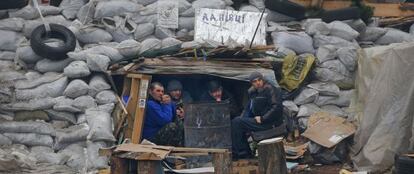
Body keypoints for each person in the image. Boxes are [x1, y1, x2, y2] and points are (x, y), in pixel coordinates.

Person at [231, 72, 284, 159]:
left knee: (237, 123)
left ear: (262, 80)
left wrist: (263, 118)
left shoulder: (270, 89)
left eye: (259, 80)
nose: (258, 82)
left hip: (270, 122)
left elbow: (277, 107)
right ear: (252, 83)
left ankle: (243, 153)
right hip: (260, 122)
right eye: (255, 81)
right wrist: (243, 119)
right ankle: (244, 153)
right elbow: (248, 109)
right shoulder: (253, 93)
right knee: (236, 123)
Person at [142, 82, 184, 146]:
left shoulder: (160, 102)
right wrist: (167, 104)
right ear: (150, 92)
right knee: (171, 126)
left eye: (162, 91)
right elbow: (165, 120)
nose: (161, 93)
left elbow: (173, 114)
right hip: (151, 137)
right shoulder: (150, 104)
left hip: (159, 132)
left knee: (180, 124)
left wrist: (169, 102)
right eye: (158, 91)